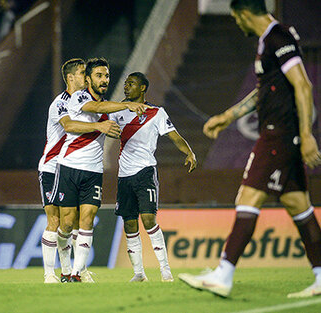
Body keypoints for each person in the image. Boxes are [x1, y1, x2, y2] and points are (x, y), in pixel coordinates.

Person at [179, 0, 321, 298]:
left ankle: (224, 274)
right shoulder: (268, 41)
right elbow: (264, 91)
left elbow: (303, 85)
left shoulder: (277, 37)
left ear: (244, 13)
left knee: (248, 196)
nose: (237, 24)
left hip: (278, 135)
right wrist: (227, 116)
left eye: (235, 18)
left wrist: (307, 135)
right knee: (299, 205)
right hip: (283, 135)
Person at [50, 57, 150, 282]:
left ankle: (77, 273)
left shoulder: (110, 108)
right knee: (66, 223)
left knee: (88, 219)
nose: (104, 80)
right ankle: (65, 268)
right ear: (87, 80)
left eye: (106, 76)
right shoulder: (78, 98)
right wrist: (122, 107)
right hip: (69, 166)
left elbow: (110, 109)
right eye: (99, 76)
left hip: (93, 171)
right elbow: (95, 108)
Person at [38, 58, 121, 283]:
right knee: (56, 222)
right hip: (52, 166)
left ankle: (75, 271)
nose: (87, 76)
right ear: (72, 77)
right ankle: (50, 274)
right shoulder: (60, 103)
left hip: (76, 166)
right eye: (83, 72)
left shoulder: (84, 100)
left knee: (76, 223)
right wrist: (99, 125)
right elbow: (69, 126)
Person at [109, 72, 197, 283]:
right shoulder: (118, 111)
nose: (126, 87)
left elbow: (174, 135)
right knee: (130, 223)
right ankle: (139, 273)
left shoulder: (156, 113)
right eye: (126, 83)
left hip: (145, 172)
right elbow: (102, 126)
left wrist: (189, 152)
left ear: (142, 88)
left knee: (149, 220)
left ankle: (165, 270)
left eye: (131, 84)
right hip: (124, 176)